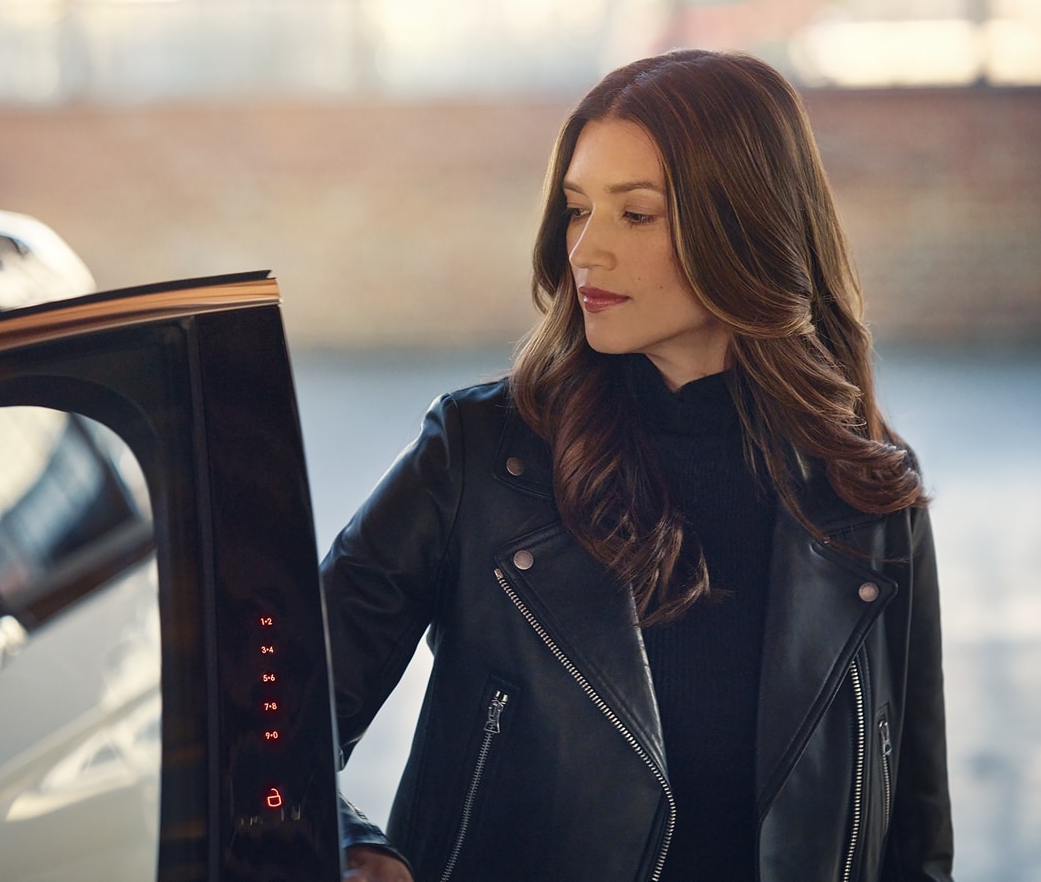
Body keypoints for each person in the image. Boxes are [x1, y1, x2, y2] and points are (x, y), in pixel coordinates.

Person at [321, 49, 953, 882]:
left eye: (637, 215)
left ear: (746, 226)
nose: (586, 250)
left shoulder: (867, 489)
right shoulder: (475, 455)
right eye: (577, 210)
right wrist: (351, 845)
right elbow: (274, 707)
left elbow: (914, 834)